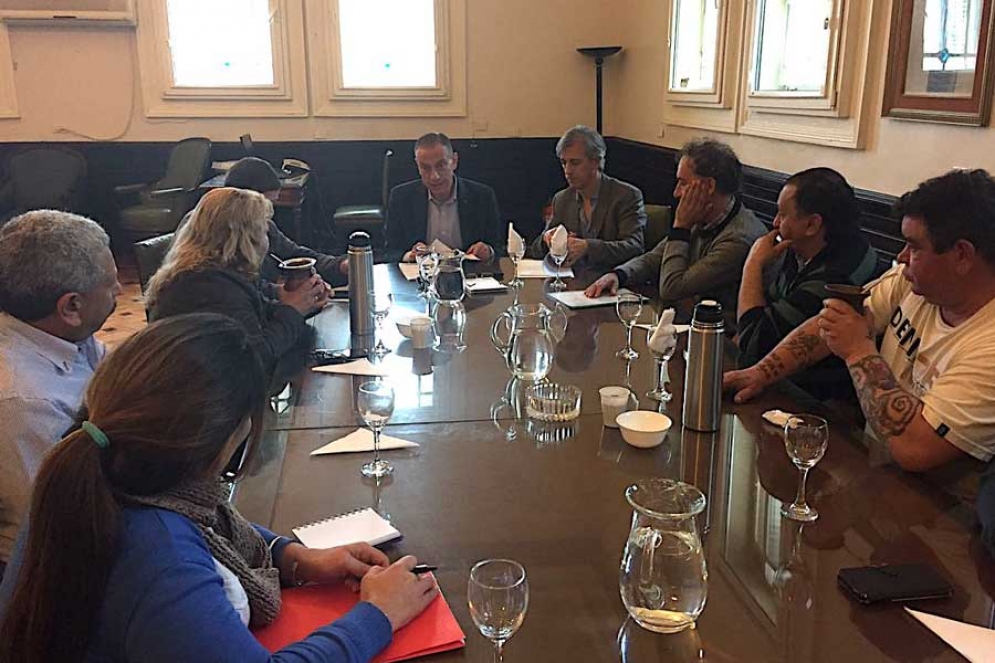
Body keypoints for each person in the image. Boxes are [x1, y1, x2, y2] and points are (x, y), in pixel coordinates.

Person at [0, 313, 438, 662]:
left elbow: (210, 531)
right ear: (227, 437)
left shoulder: (92, 475)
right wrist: (378, 615)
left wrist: (294, 557)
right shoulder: (159, 556)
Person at [726, 169, 995, 479]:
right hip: (873, 466)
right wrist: (760, 373)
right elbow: (829, 326)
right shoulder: (912, 283)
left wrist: (857, 350)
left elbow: (915, 448)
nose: (901, 257)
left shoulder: (987, 347)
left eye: (915, 247)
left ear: (962, 255)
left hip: (932, 501)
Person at [0, 210, 120, 570]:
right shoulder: (23, 403)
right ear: (71, 306)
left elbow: (114, 382)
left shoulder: (63, 333)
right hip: (54, 567)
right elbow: (57, 521)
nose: (119, 290)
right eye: (111, 283)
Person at [147, 188, 328, 387]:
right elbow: (254, 359)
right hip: (203, 394)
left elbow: (257, 306)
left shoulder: (208, 271)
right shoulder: (208, 286)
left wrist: (301, 301)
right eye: (263, 232)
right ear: (246, 238)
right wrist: (293, 310)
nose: (267, 240)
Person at [585, 138, 765, 331]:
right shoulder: (703, 217)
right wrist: (618, 275)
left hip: (721, 338)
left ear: (709, 186)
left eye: (683, 183)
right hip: (687, 323)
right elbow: (654, 258)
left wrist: (681, 226)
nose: (676, 193)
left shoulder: (738, 238)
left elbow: (671, 288)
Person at [736, 168, 879, 398]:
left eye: (782, 215)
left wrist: (752, 264)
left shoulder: (836, 278)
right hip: (784, 381)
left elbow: (752, 346)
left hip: (817, 399)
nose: (775, 222)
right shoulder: (803, 251)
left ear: (812, 225)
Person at [528, 125, 646, 269]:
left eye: (575, 163)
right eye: (564, 163)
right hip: (572, 278)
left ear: (596, 162)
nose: (568, 171)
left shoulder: (626, 196)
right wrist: (546, 239)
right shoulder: (562, 199)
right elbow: (535, 251)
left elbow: (635, 247)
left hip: (611, 277)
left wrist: (588, 247)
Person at [225, 157, 349, 288]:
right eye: (265, 205)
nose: (268, 214)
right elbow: (247, 290)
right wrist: (284, 294)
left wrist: (340, 266)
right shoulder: (223, 243)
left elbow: (297, 255)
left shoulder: (266, 226)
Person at [384, 133, 502, 263]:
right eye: (425, 168)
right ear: (417, 166)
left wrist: (488, 251)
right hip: (421, 272)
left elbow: (499, 247)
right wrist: (410, 256)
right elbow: (389, 252)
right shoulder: (401, 198)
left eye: (441, 166)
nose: (434, 176)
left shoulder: (481, 196)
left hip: (469, 272)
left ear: (454, 161)